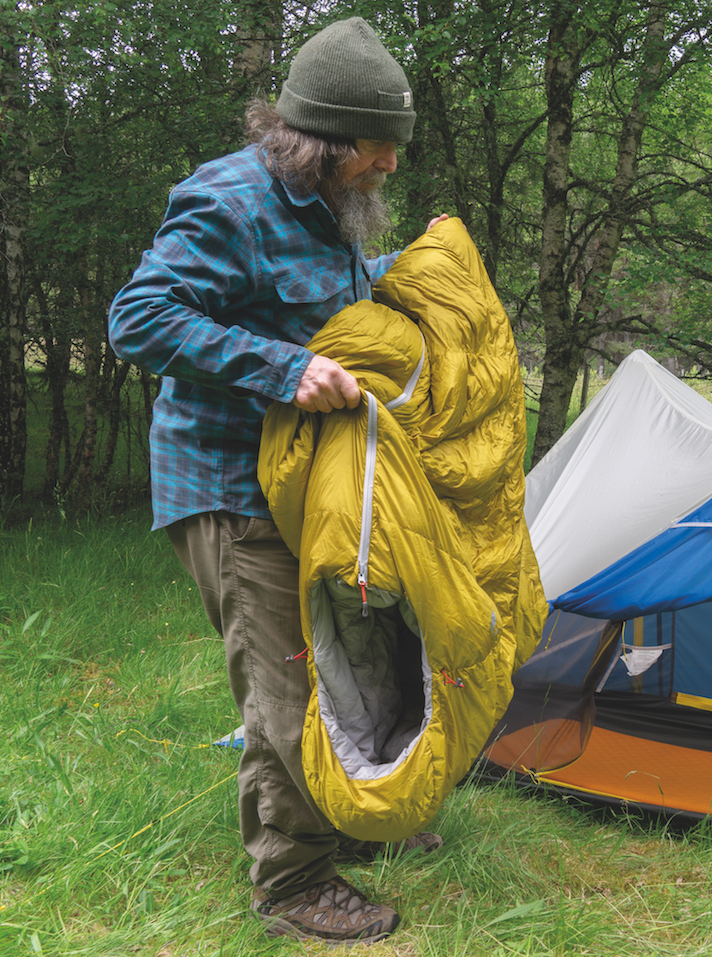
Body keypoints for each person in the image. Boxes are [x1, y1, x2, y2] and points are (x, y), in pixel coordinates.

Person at [108, 17, 444, 945]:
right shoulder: (229, 200)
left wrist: (404, 276)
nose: (388, 165)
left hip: (305, 484)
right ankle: (293, 879)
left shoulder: (325, 205)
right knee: (288, 684)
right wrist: (278, 367)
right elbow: (137, 318)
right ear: (328, 138)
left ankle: (351, 815)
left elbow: (312, 302)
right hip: (226, 485)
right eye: (378, 148)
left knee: (353, 649)